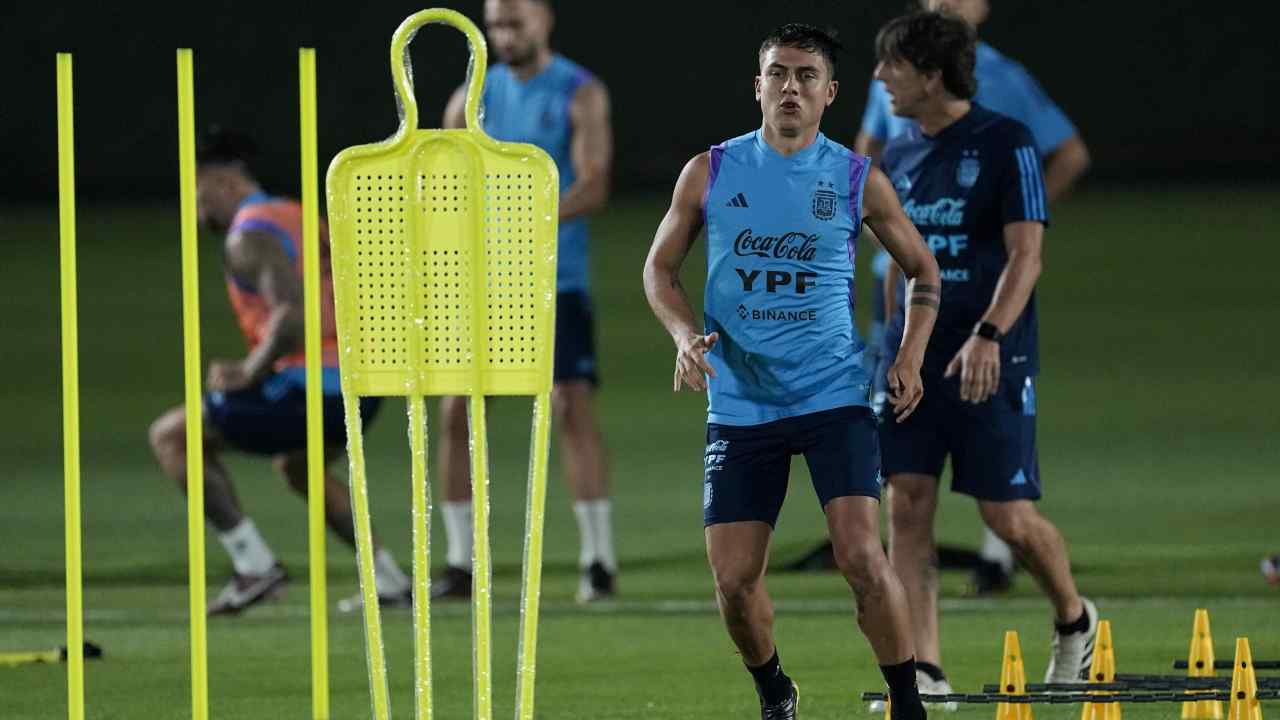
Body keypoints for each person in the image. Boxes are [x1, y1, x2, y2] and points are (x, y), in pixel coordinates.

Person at [644, 23, 940, 720]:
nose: (790, 87)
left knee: (863, 558)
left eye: (806, 76)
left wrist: (909, 356)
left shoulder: (853, 176)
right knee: (735, 583)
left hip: (833, 393)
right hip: (742, 403)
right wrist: (686, 335)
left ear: (829, 94)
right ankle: (775, 690)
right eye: (778, 73)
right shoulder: (710, 171)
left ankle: (907, 701)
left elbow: (923, 270)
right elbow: (659, 269)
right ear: (757, 87)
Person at [872, 10, 1099, 696]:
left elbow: (1027, 254)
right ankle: (924, 668)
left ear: (932, 76)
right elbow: (895, 264)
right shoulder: (898, 152)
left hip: (989, 357)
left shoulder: (1007, 143)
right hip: (914, 358)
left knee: (1007, 518)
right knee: (906, 504)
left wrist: (990, 335)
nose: (880, 77)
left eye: (893, 66)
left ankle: (1073, 618)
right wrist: (887, 348)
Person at [148, 128, 412, 616]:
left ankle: (254, 567)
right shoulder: (294, 214)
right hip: (364, 381)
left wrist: (249, 371)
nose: (195, 210)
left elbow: (291, 315)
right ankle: (388, 579)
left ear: (223, 182)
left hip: (316, 385)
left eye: (196, 193)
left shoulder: (250, 233)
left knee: (173, 436)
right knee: (300, 466)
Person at [434, 0, 617, 603]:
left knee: (569, 405)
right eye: (495, 24)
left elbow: (593, 182)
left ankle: (597, 558)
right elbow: (442, 184)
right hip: (481, 284)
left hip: (554, 279)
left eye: (515, 22)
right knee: (458, 410)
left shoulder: (580, 91)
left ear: (544, 19)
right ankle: (460, 563)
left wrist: (529, 219)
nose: (504, 34)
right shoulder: (470, 99)